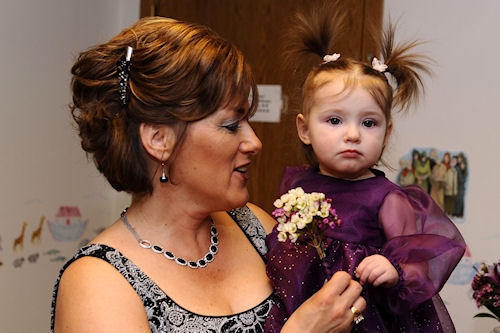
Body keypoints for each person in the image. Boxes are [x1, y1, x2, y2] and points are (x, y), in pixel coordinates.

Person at [50, 16, 366, 333]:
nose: (255, 143)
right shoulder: (98, 282)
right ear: (159, 140)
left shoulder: (256, 227)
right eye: (231, 125)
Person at [264, 4, 466, 333]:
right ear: (304, 129)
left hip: (364, 319)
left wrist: (394, 270)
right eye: (334, 120)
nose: (353, 134)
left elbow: (417, 264)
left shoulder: (387, 198)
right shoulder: (298, 185)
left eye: (369, 122)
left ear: (386, 134)